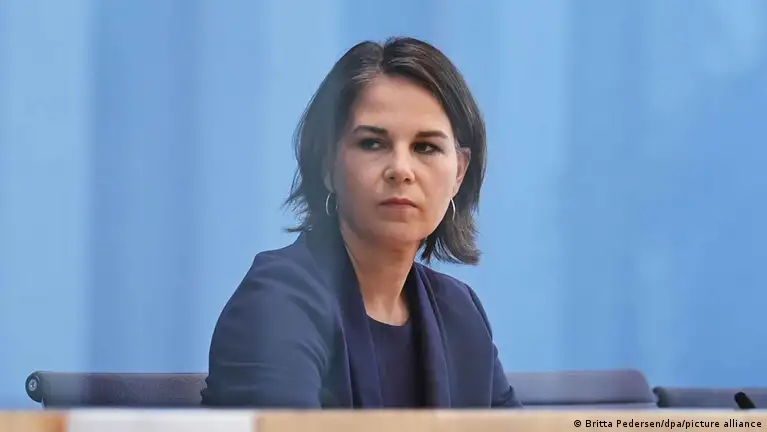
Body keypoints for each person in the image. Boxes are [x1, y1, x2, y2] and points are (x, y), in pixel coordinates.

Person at [201, 37, 521, 409]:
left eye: (425, 147)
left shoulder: (461, 314)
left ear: (459, 174)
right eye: (372, 143)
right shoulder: (277, 303)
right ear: (328, 165)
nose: (401, 170)